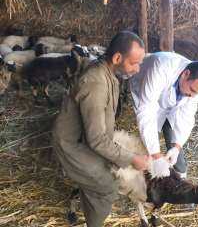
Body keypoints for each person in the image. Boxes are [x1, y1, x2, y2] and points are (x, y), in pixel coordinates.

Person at [52, 31, 148, 227]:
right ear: (117, 58)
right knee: (106, 188)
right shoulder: (96, 82)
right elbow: (97, 140)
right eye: (134, 63)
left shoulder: (108, 72)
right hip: (72, 145)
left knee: (102, 174)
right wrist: (132, 158)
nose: (138, 69)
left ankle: (88, 191)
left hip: (87, 140)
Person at [130, 51, 198, 178]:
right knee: (147, 141)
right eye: (192, 91)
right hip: (145, 92)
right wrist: (156, 155)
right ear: (186, 74)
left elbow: (187, 116)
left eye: (196, 94)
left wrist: (177, 147)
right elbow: (147, 110)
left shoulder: (195, 88)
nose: (192, 96)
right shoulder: (162, 67)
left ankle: (179, 174)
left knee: (174, 144)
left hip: (170, 104)